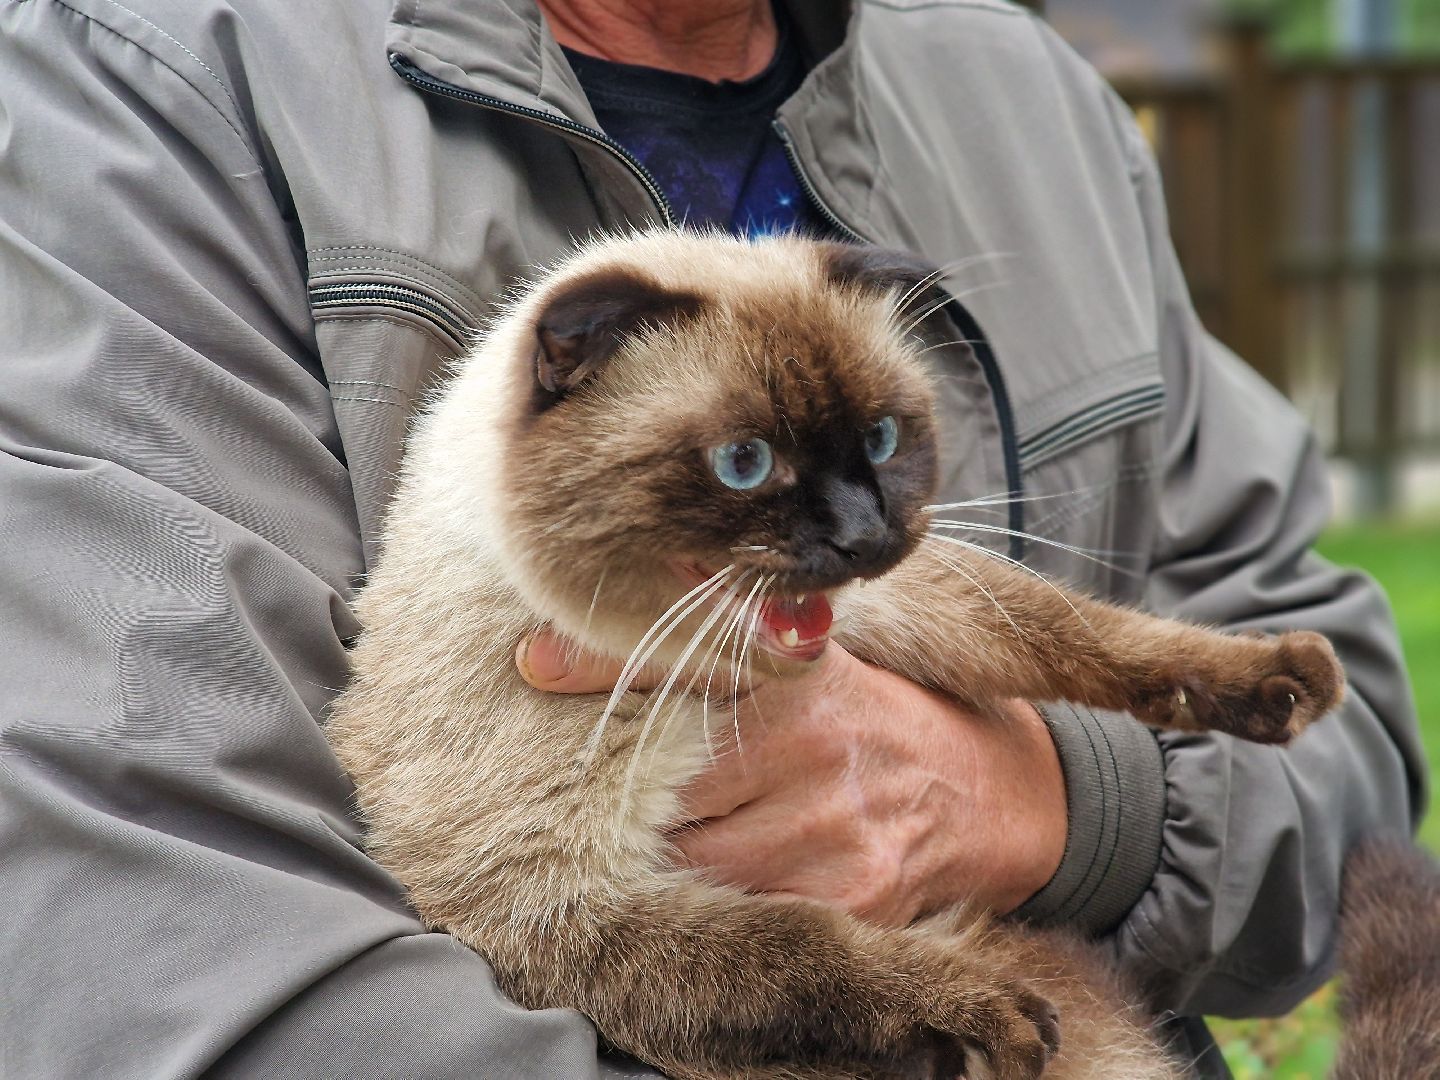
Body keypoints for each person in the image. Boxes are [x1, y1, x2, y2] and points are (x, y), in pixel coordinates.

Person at [0, 1, 1422, 1077]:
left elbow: (1348, 765)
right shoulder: (147, 85)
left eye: (885, 448)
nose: (856, 531)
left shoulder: (1030, 97)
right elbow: (143, 923)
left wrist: (1056, 803)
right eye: (744, 467)